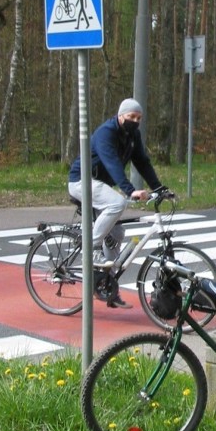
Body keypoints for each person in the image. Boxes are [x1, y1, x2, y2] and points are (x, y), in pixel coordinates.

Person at [68, 98, 169, 306]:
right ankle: (91, 247)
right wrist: (130, 191)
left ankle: (106, 285)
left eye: (138, 118)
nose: (135, 121)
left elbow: (142, 161)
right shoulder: (106, 132)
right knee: (117, 203)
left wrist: (159, 188)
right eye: (131, 116)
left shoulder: (133, 135)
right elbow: (111, 163)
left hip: (99, 185)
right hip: (82, 181)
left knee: (116, 233)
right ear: (120, 115)